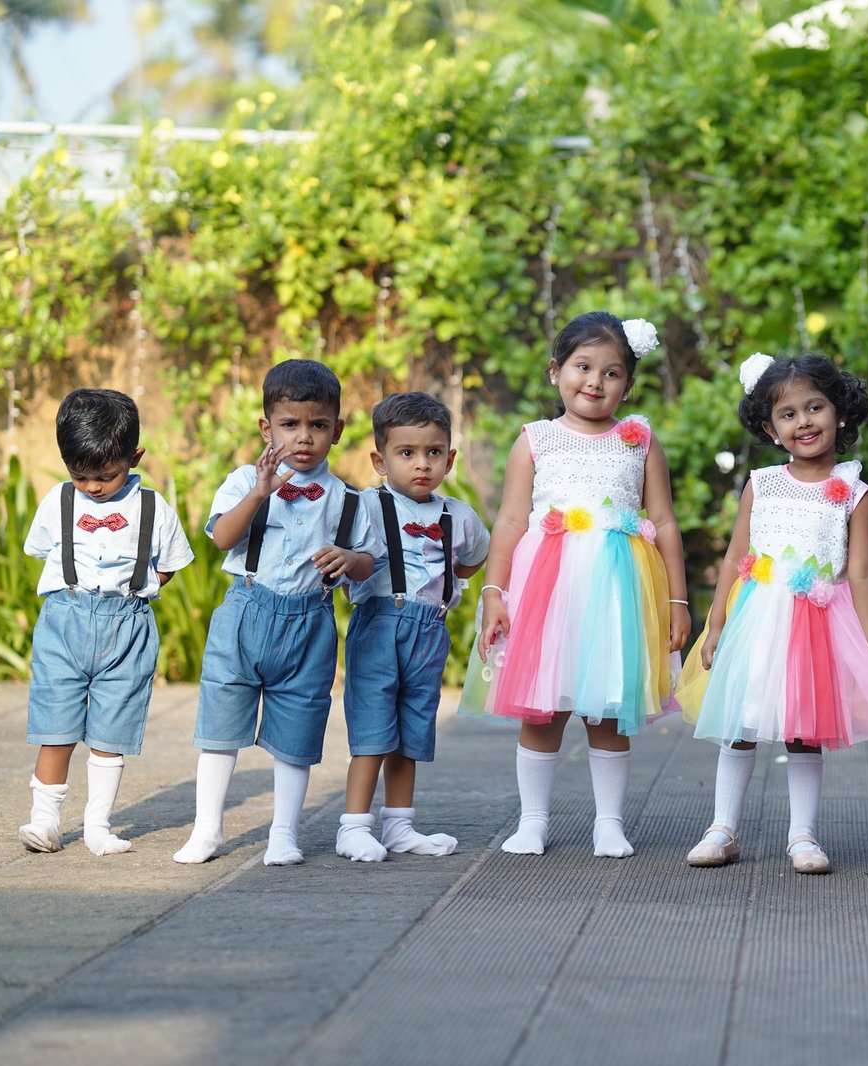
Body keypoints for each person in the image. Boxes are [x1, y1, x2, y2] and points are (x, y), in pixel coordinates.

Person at [459, 313, 690, 858]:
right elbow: (511, 521)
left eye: (612, 373)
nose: (595, 381)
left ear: (628, 385)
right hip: (548, 593)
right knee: (542, 709)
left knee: (609, 709)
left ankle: (609, 823)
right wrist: (494, 593)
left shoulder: (639, 441)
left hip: (616, 595)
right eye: (582, 367)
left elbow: (665, 521)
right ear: (555, 371)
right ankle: (533, 821)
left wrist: (677, 600)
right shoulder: (536, 441)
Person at [679, 352, 868, 875]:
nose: (804, 422)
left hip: (819, 624)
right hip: (756, 620)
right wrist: (715, 624)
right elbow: (736, 556)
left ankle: (803, 834)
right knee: (740, 721)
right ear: (770, 428)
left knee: (805, 730)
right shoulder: (763, 483)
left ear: (839, 411)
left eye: (815, 407)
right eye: (788, 414)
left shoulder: (856, 494)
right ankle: (722, 828)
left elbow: (861, 573)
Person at [174, 359, 380, 866]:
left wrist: (349, 559)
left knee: (298, 728)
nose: (304, 437)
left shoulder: (349, 500)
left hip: (310, 622)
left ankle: (283, 833)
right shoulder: (246, 480)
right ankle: (207, 829)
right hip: (245, 613)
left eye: (318, 425)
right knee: (221, 723)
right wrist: (258, 493)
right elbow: (222, 537)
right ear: (267, 428)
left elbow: (368, 562)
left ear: (337, 430)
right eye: (290, 424)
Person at [19, 388, 194, 855]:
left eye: (106, 476)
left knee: (110, 732)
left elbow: (171, 563)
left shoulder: (153, 508)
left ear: (134, 458)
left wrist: (142, 585)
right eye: (80, 476)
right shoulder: (58, 502)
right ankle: (44, 820)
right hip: (66, 621)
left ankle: (97, 825)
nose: (93, 486)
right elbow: (41, 549)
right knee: (56, 725)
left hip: (127, 625)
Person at [337, 391, 489, 862]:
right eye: (406, 453)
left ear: (450, 459)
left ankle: (399, 826)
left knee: (412, 727)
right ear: (380, 461)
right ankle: (353, 827)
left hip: (430, 630)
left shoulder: (458, 515)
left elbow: (474, 558)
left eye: (433, 452)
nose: (422, 464)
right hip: (380, 624)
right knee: (373, 725)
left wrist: (448, 580)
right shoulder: (366, 506)